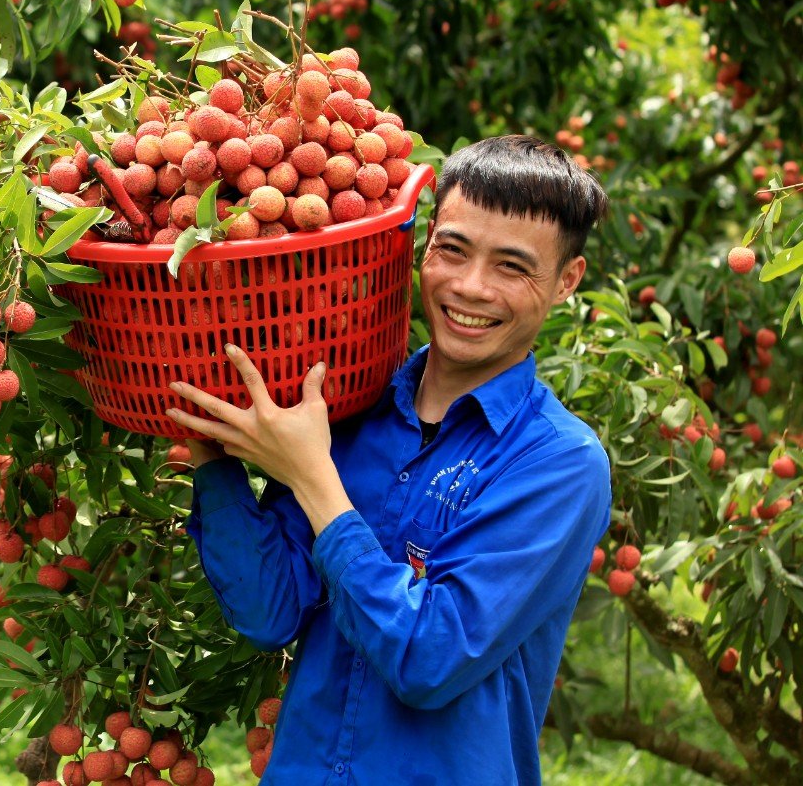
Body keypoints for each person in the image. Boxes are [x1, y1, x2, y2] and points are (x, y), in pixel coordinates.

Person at [165, 135, 612, 785]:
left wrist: (313, 477)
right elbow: (269, 613)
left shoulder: (559, 464)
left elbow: (429, 659)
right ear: (424, 242)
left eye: (512, 267)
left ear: (566, 280)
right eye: (452, 250)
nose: (470, 286)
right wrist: (213, 450)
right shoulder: (349, 406)